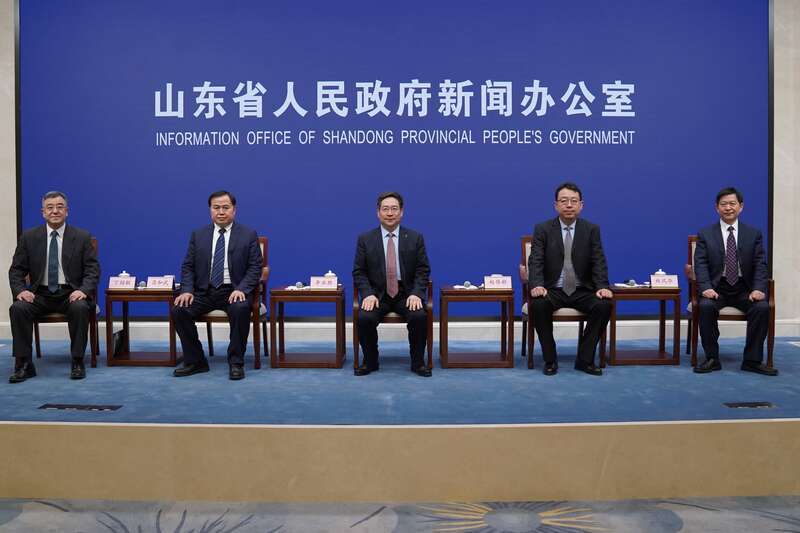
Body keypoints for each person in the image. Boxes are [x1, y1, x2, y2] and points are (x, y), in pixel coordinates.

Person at [8, 191, 100, 383]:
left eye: (59, 207)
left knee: (80, 307)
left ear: (67, 211)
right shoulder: (29, 237)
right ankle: (24, 364)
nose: (55, 211)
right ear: (43, 212)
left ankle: (77, 361)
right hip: (39, 295)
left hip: (70, 293)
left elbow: (93, 270)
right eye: (50, 207)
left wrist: (82, 290)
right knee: (18, 308)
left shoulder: (82, 237)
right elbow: (16, 270)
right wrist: (21, 291)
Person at [171, 190, 262, 380]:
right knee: (179, 310)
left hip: (233, 291)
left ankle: (236, 362)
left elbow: (255, 267)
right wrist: (186, 290)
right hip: (204, 291)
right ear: (210, 210)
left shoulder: (248, 234)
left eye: (225, 207)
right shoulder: (198, 235)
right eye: (216, 207)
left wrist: (241, 289)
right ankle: (196, 361)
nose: (221, 212)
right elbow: (188, 266)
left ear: (234, 210)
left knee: (240, 309)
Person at [528, 182, 612, 376]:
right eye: (564, 201)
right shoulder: (543, 229)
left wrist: (602, 286)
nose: (568, 205)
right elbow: (536, 260)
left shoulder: (591, 229)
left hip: (582, 289)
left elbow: (598, 260)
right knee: (538, 305)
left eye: (574, 201)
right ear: (555, 205)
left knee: (604, 305)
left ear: (581, 205)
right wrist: (537, 284)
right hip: (553, 289)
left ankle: (584, 359)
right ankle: (550, 359)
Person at [693, 187, 776, 376]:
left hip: (744, 288)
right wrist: (705, 287)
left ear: (741, 207)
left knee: (762, 308)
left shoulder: (753, 234)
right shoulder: (705, 233)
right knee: (705, 306)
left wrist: (758, 288)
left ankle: (752, 361)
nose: (728, 208)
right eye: (723, 204)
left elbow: (760, 264)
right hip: (717, 287)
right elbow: (700, 264)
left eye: (732, 203)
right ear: (717, 208)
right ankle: (712, 358)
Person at [353, 191, 431, 377]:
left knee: (419, 316)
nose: (390, 213)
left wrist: (416, 293)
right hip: (377, 294)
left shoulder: (415, 237)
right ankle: (370, 361)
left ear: (401, 212)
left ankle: (418, 363)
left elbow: (423, 270)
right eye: (385, 209)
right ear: (378, 212)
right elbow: (359, 271)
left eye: (394, 209)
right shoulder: (365, 239)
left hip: (406, 293)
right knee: (364, 317)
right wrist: (367, 294)